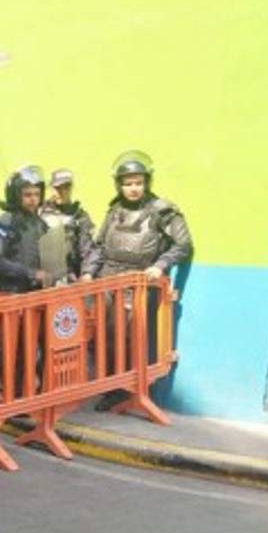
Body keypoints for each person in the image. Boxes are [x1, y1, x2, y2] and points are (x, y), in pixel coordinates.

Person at [86, 150, 193, 410]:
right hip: (107, 281)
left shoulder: (163, 211)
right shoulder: (114, 211)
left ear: (147, 182)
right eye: (128, 183)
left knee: (130, 337)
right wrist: (89, 271)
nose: (133, 188)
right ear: (119, 185)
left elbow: (184, 244)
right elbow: (99, 246)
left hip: (138, 284)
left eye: (138, 183)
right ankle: (111, 387)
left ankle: (130, 389)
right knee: (103, 336)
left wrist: (160, 265)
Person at [0, 165, 49, 293]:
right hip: (7, 294)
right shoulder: (5, 223)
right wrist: (31, 273)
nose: (33, 199)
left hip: (33, 293)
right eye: (27, 195)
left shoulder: (41, 224)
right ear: (16, 195)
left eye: (37, 194)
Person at [40, 168, 96, 281]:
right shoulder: (39, 213)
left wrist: (87, 273)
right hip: (42, 276)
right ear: (51, 188)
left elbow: (87, 249)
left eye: (66, 187)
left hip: (70, 276)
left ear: (71, 189)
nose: (61, 192)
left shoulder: (79, 216)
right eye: (57, 188)